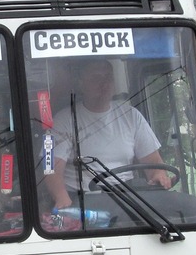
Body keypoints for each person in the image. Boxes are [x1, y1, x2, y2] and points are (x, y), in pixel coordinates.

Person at [43, 56, 171, 210]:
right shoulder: (61, 120)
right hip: (82, 201)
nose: (104, 84)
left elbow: (154, 162)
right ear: (81, 84)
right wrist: (61, 198)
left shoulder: (131, 115)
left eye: (108, 78)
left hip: (127, 196)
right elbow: (49, 166)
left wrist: (158, 174)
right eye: (96, 78)